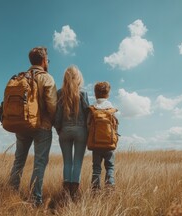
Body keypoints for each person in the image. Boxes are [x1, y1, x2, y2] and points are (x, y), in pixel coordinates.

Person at [9, 46, 57, 207]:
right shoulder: (46, 78)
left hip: (22, 125)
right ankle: (35, 200)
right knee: (39, 163)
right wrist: (54, 121)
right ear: (44, 60)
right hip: (42, 127)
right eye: (47, 60)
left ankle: (11, 193)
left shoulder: (21, 77)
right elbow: (52, 105)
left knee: (18, 161)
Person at [54, 65, 89, 201]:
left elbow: (57, 115)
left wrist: (58, 128)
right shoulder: (83, 94)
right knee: (77, 163)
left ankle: (65, 194)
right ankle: (75, 195)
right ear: (78, 78)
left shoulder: (59, 93)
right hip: (81, 131)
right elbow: (87, 114)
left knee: (67, 162)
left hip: (64, 130)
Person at [89, 81, 117, 191]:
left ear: (95, 94)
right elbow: (115, 127)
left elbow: (88, 125)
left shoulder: (93, 108)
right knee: (110, 167)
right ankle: (109, 189)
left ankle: (95, 190)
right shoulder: (111, 108)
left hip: (96, 144)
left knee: (96, 168)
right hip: (109, 144)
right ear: (108, 94)